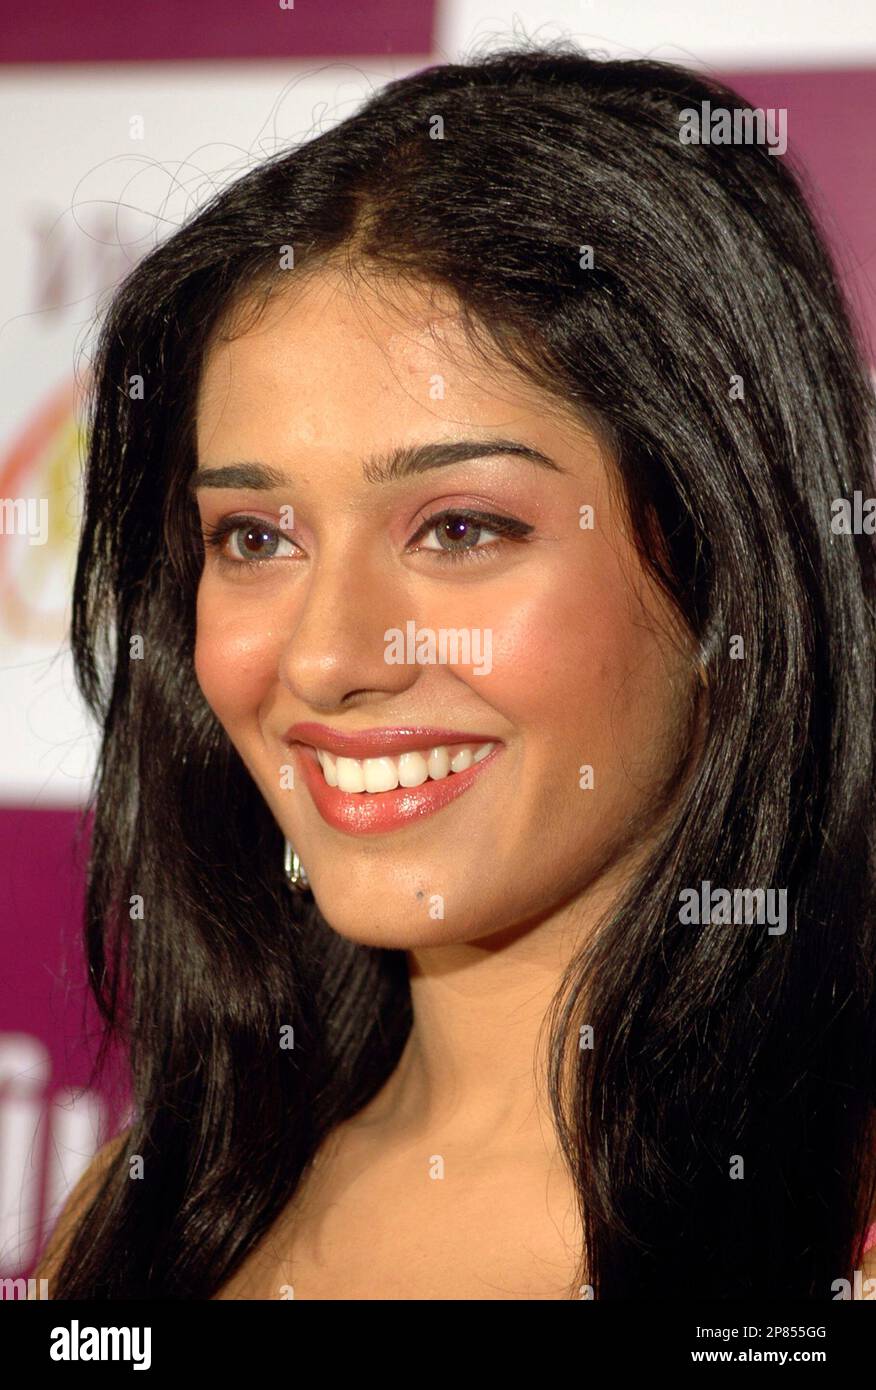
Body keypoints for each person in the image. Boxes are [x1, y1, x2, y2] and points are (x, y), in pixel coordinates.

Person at [37, 40, 876, 1299]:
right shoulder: (142, 1211)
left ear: (727, 569)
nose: (324, 658)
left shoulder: (842, 1239)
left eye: (460, 530)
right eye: (255, 537)